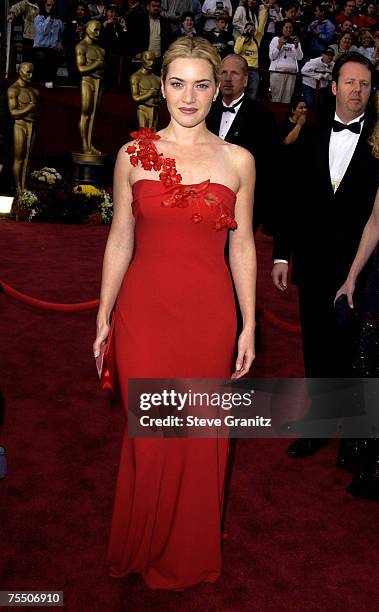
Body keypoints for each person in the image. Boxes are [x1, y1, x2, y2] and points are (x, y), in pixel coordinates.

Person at [93, 36, 256, 589]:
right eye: (178, 84)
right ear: (161, 88)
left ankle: (186, 551)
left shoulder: (239, 161)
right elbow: (120, 238)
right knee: (153, 434)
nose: (189, 97)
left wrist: (250, 323)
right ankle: (142, 543)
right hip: (145, 313)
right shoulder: (131, 154)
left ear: (221, 89)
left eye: (202, 85)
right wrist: (103, 315)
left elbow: (243, 247)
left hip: (210, 314)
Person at [271, 52, 378, 479]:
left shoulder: (377, 141)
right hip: (313, 264)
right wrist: (282, 253)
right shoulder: (311, 138)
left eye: (365, 85)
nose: (357, 90)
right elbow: (289, 202)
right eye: (350, 82)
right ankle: (317, 425)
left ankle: (354, 440)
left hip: (362, 269)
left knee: (356, 352)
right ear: (332, 87)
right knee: (315, 346)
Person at [206, 52, 277, 232]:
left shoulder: (263, 118)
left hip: (241, 209)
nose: (228, 78)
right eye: (223, 73)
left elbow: (268, 168)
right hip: (203, 206)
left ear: (245, 80)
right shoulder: (204, 112)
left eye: (234, 73)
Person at [233, 2, 269, 100]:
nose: (250, 31)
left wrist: (265, 10)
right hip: (242, 69)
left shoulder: (257, 39)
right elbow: (236, 51)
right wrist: (244, 37)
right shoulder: (240, 38)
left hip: (254, 70)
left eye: (252, 29)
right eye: (248, 29)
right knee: (240, 93)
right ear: (244, 29)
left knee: (252, 95)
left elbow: (261, 25)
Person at [269, 19, 303, 103]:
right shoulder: (276, 39)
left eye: (290, 27)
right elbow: (272, 56)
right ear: (282, 28)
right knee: (276, 98)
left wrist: (296, 47)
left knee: (287, 99)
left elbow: (300, 57)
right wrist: (279, 45)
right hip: (278, 72)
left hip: (291, 74)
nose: (288, 29)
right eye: (286, 27)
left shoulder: (295, 41)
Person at [33, 0, 64, 88]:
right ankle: (42, 81)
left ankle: (49, 80)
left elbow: (60, 34)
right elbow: (44, 31)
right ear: (45, 6)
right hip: (40, 48)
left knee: (58, 55)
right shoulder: (38, 18)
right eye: (49, 5)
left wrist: (60, 42)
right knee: (43, 56)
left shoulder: (58, 21)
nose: (51, 7)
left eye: (53, 5)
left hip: (52, 49)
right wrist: (50, 18)